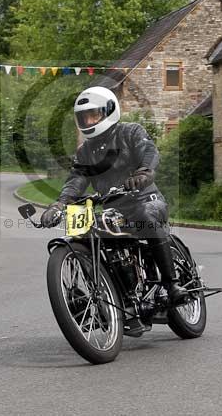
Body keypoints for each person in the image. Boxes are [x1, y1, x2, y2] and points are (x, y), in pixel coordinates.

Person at [39, 86, 188, 335]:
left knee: (146, 217)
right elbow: (76, 180)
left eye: (94, 115)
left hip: (144, 197)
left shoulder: (130, 131)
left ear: (109, 111)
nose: (89, 121)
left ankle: (172, 284)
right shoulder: (85, 151)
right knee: (90, 234)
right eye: (85, 117)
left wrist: (143, 173)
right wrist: (59, 204)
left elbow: (149, 152)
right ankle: (125, 303)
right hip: (112, 208)